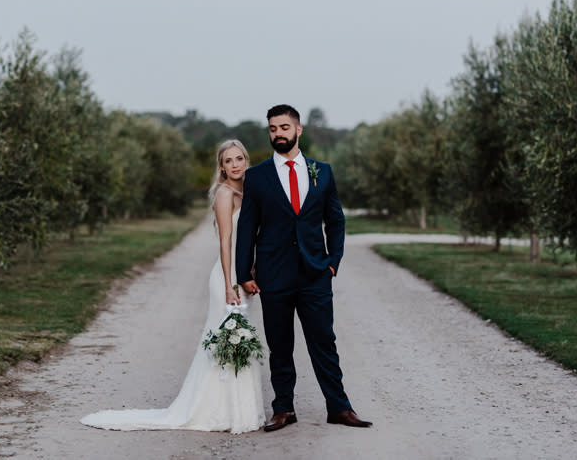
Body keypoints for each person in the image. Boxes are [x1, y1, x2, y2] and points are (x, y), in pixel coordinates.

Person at [80, 139, 265, 434]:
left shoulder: (248, 192)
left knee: (240, 340)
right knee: (226, 341)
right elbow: (225, 241)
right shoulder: (225, 194)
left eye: (239, 158)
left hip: (242, 276)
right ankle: (218, 412)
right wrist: (230, 284)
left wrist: (251, 270)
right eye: (228, 160)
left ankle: (240, 410)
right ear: (221, 167)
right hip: (227, 278)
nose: (235, 165)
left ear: (246, 160)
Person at [236, 104, 372, 431]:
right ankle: (283, 409)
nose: (278, 134)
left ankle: (339, 407)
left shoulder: (322, 172)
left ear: (298, 130)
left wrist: (333, 263)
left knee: (324, 341)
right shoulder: (257, 177)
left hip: (315, 274)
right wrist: (243, 273)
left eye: (284, 127)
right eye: (273, 128)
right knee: (280, 345)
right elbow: (247, 227)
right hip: (274, 274)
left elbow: (335, 221)